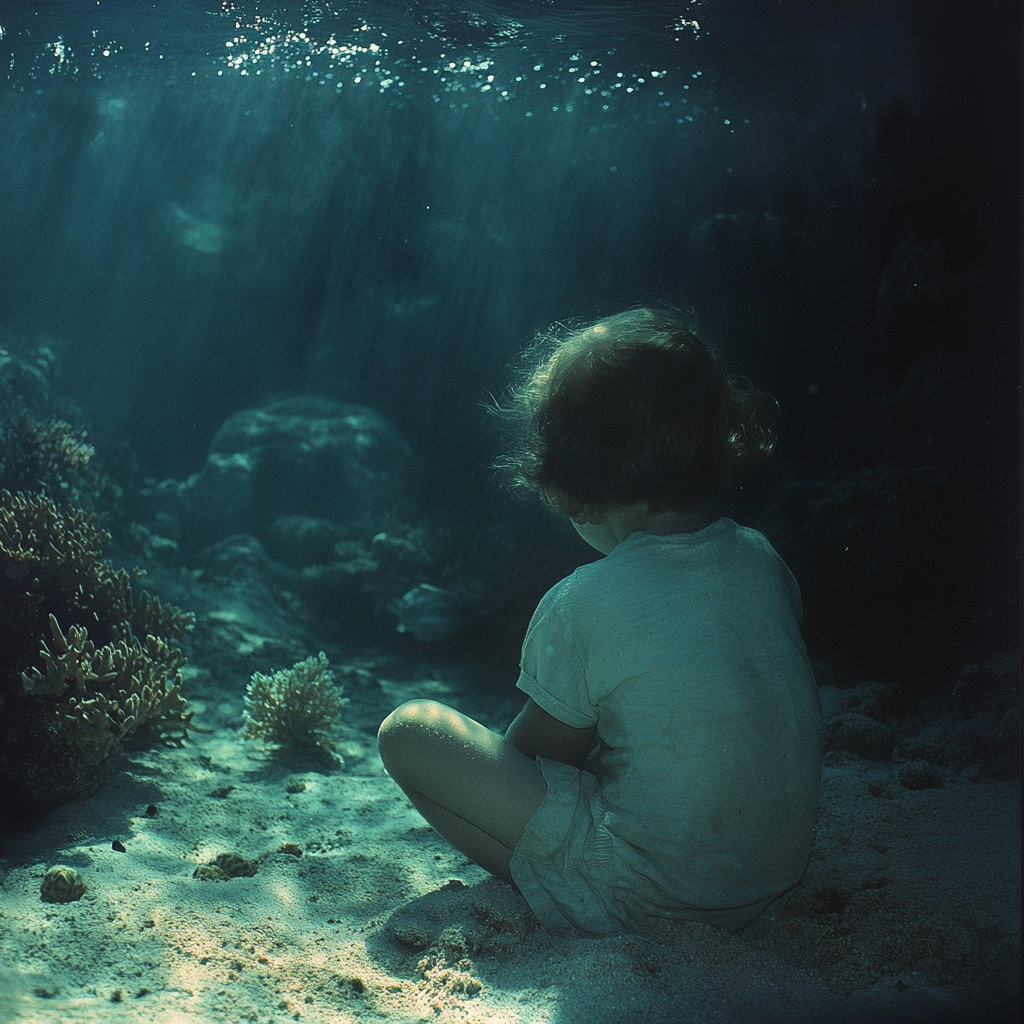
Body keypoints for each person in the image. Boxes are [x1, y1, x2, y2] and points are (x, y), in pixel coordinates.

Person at [377, 307, 822, 937]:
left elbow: (535, 761)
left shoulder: (584, 598)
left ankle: (562, 896)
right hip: (771, 881)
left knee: (412, 731)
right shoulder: (761, 558)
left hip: (651, 897)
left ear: (567, 475)